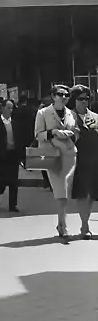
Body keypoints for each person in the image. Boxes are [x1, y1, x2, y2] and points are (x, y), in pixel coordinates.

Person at [34, 85, 79, 241]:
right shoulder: (43, 113)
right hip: (51, 156)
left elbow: (76, 132)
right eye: (60, 94)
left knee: (66, 191)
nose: (64, 97)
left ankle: (61, 224)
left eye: (67, 95)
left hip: (69, 155)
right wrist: (53, 132)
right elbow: (38, 135)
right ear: (53, 96)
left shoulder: (71, 113)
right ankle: (63, 224)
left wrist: (71, 134)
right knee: (61, 190)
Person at [69, 85, 98, 240]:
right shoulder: (68, 118)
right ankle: (84, 225)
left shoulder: (95, 117)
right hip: (77, 161)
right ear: (74, 100)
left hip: (94, 161)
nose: (84, 102)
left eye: (87, 99)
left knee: (92, 195)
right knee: (81, 194)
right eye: (81, 99)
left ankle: (85, 221)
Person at [0, 99, 24, 213]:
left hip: (13, 154)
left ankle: (12, 205)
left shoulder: (16, 122)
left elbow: (20, 139)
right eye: (8, 107)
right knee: (2, 179)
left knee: (14, 181)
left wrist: (22, 155)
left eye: (12, 108)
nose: (10, 110)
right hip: (1, 154)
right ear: (2, 108)